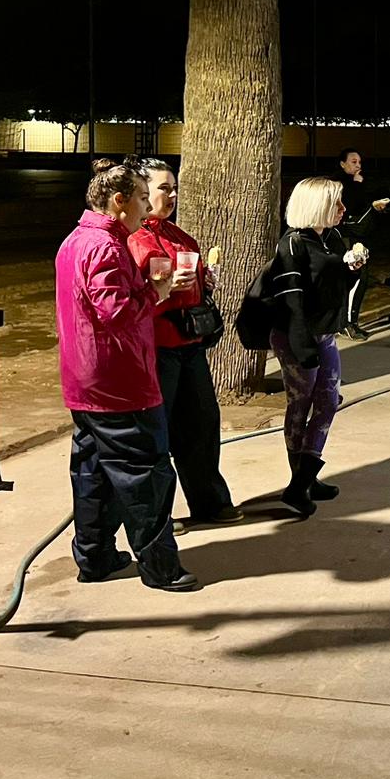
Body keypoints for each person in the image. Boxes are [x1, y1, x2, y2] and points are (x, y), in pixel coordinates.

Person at [55, 159, 199, 592]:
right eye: (140, 197)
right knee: (146, 473)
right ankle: (160, 567)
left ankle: (95, 556)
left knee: (93, 471)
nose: (145, 207)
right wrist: (154, 291)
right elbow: (116, 311)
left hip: (85, 380)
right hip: (119, 381)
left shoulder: (76, 240)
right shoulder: (106, 246)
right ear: (119, 201)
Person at [126, 159, 241, 532]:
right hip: (157, 348)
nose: (172, 195)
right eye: (163, 189)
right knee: (157, 432)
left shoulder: (179, 235)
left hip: (189, 344)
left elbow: (193, 280)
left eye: (174, 188)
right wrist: (164, 288)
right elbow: (128, 300)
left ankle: (210, 501)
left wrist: (205, 281)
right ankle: (158, 512)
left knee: (203, 423)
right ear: (142, 193)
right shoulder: (133, 239)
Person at [269, 176, 367, 517]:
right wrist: (300, 344)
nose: (343, 209)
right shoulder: (293, 243)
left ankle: (303, 482)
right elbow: (290, 299)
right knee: (301, 403)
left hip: (324, 333)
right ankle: (300, 480)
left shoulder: (331, 239)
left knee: (328, 399)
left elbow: (334, 285)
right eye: (336, 203)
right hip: (296, 335)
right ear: (317, 206)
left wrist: (352, 270)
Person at [330, 149, 390, 340]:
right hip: (347, 237)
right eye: (354, 162)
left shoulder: (356, 182)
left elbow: (362, 207)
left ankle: (347, 321)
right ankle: (346, 323)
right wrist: (357, 186)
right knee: (356, 278)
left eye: (359, 162)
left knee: (358, 278)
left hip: (359, 236)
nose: (358, 166)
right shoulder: (341, 184)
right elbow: (351, 207)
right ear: (342, 164)